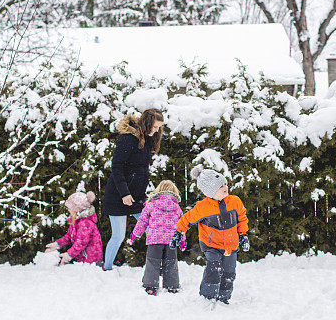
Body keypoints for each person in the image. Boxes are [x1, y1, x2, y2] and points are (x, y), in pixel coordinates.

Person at [172, 165, 249, 304]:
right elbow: (187, 219)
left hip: (231, 244)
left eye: (225, 184)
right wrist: (178, 232)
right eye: (220, 186)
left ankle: (224, 298)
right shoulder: (202, 207)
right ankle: (207, 298)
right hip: (211, 245)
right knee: (214, 269)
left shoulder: (235, 201)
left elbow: (242, 218)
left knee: (229, 272)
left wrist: (243, 235)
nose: (225, 187)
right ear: (210, 191)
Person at [100, 108, 164, 271]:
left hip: (137, 197)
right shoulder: (128, 139)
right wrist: (124, 193)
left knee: (152, 229)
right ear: (148, 123)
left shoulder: (147, 139)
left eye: (159, 128)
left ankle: (158, 266)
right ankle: (107, 268)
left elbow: (140, 170)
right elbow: (117, 167)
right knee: (118, 235)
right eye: (155, 127)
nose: (157, 130)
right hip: (118, 196)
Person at [127, 180, 186, 295]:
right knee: (171, 263)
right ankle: (172, 286)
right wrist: (182, 241)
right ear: (174, 192)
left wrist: (135, 234)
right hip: (171, 242)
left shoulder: (152, 204)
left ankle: (150, 286)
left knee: (152, 263)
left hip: (155, 240)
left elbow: (142, 221)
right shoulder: (177, 207)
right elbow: (182, 226)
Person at [45, 191, 102, 265]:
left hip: (91, 261)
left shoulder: (85, 223)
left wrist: (69, 255)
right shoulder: (76, 221)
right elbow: (68, 237)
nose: (68, 210)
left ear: (78, 209)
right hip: (82, 259)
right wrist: (57, 244)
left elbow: (81, 242)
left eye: (70, 208)